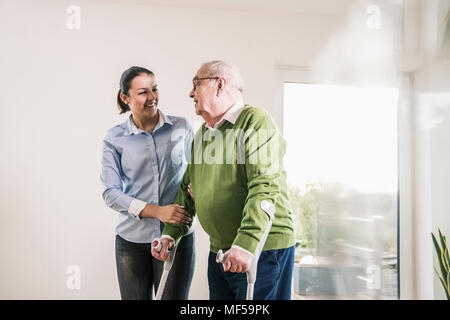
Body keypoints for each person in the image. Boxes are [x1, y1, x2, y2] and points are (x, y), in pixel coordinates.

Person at [152, 60, 295, 300]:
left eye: (196, 84)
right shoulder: (203, 134)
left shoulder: (255, 121)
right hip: (219, 252)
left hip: (263, 249)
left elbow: (264, 187)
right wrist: (170, 234)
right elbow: (187, 192)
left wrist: (247, 243)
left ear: (219, 85)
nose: (190, 92)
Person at [100, 66, 195, 300]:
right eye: (143, 92)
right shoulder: (114, 138)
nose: (152, 97)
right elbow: (110, 193)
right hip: (131, 242)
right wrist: (156, 212)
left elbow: (197, 177)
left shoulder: (181, 128)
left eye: (154, 89)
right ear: (126, 97)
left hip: (176, 238)